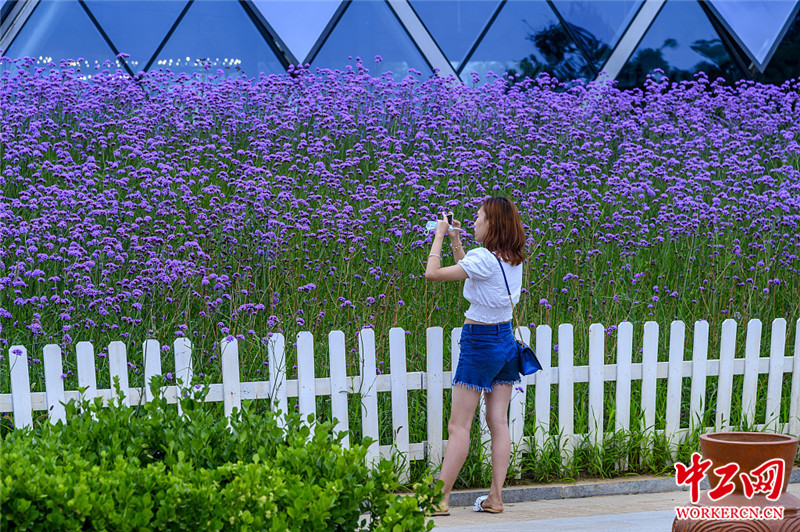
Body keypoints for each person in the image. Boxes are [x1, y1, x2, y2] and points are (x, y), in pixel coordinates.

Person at [424, 196, 526, 516]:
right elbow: (473, 272)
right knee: (498, 422)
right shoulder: (512, 258)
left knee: (459, 426)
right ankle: (495, 498)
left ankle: (440, 499)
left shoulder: (483, 257)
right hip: (506, 341)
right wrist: (457, 242)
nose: (474, 222)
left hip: (479, 343)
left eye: (479, 217)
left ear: (491, 223)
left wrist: (439, 235)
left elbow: (432, 274)